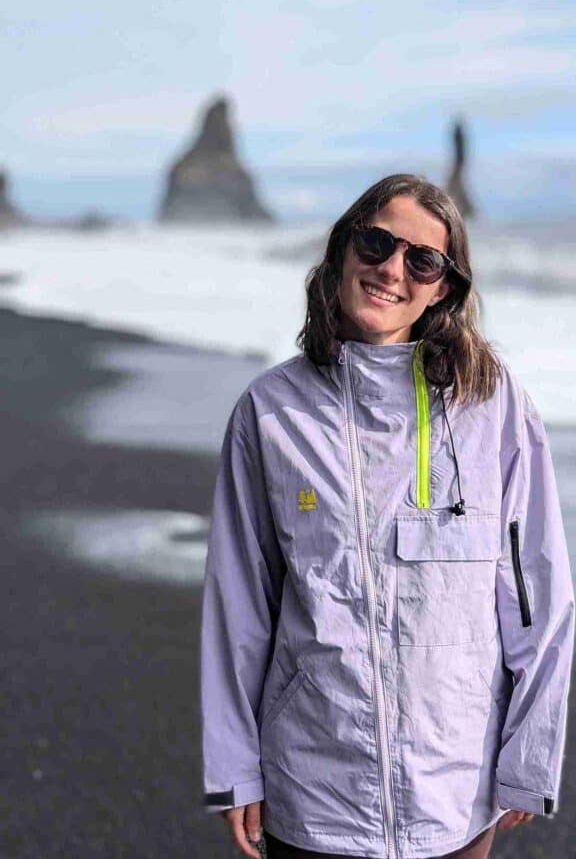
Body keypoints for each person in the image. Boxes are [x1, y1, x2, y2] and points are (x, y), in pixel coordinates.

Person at [199, 173, 575, 859]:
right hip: (312, 788)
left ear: (444, 289)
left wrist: (531, 753)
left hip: (455, 796)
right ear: (344, 249)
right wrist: (234, 766)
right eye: (377, 242)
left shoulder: (492, 406)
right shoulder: (271, 413)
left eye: (422, 260)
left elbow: (537, 596)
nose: (391, 269)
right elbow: (239, 606)